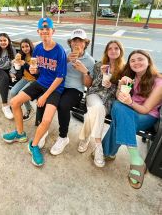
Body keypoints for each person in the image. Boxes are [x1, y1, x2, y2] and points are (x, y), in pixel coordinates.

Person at [2, 17, 67, 167]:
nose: (45, 32)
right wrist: (34, 69)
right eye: (42, 30)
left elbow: (60, 77)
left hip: (55, 88)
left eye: (47, 29)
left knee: (46, 120)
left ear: (53, 31)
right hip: (40, 82)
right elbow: (36, 68)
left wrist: (44, 96)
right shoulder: (37, 49)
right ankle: (20, 133)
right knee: (14, 102)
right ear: (38, 32)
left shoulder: (59, 50)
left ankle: (34, 145)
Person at [102, 50, 162, 189]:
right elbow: (120, 98)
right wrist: (121, 85)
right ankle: (129, 159)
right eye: (132, 60)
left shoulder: (159, 82)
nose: (136, 63)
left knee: (120, 117)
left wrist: (129, 102)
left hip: (145, 116)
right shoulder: (130, 77)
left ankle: (123, 156)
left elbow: (146, 109)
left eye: (140, 59)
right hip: (127, 111)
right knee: (118, 107)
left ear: (148, 61)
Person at [35, 29, 95, 156]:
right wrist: (66, 60)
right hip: (58, 85)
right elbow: (52, 70)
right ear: (71, 43)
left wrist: (85, 71)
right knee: (42, 97)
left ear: (85, 43)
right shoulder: (64, 53)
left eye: (80, 41)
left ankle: (63, 137)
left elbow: (88, 84)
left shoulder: (89, 61)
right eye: (74, 40)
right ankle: (43, 130)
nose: (77, 43)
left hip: (75, 90)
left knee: (63, 105)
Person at [78, 40, 125, 167]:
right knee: (97, 107)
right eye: (110, 48)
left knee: (93, 113)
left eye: (116, 48)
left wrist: (111, 86)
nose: (113, 51)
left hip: (110, 100)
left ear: (120, 51)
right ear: (106, 52)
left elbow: (122, 91)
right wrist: (103, 74)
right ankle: (98, 145)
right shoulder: (99, 65)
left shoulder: (124, 69)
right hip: (94, 95)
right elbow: (93, 85)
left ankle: (85, 138)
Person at [9, 38, 36, 121]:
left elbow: (34, 72)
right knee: (13, 92)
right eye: (23, 47)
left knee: (21, 93)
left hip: (34, 80)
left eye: (27, 46)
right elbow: (14, 64)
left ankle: (29, 109)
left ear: (30, 46)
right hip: (24, 78)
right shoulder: (21, 55)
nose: (25, 49)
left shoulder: (35, 56)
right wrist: (14, 62)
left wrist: (24, 64)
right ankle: (18, 105)